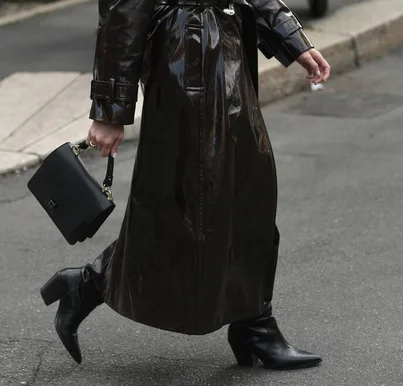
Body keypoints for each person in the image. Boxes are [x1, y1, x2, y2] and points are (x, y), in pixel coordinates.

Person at [39, 0, 330, 370]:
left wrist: (293, 40)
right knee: (188, 204)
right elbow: (123, 10)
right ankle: (89, 284)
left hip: (227, 48)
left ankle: (254, 323)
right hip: (183, 59)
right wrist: (109, 109)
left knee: (250, 192)